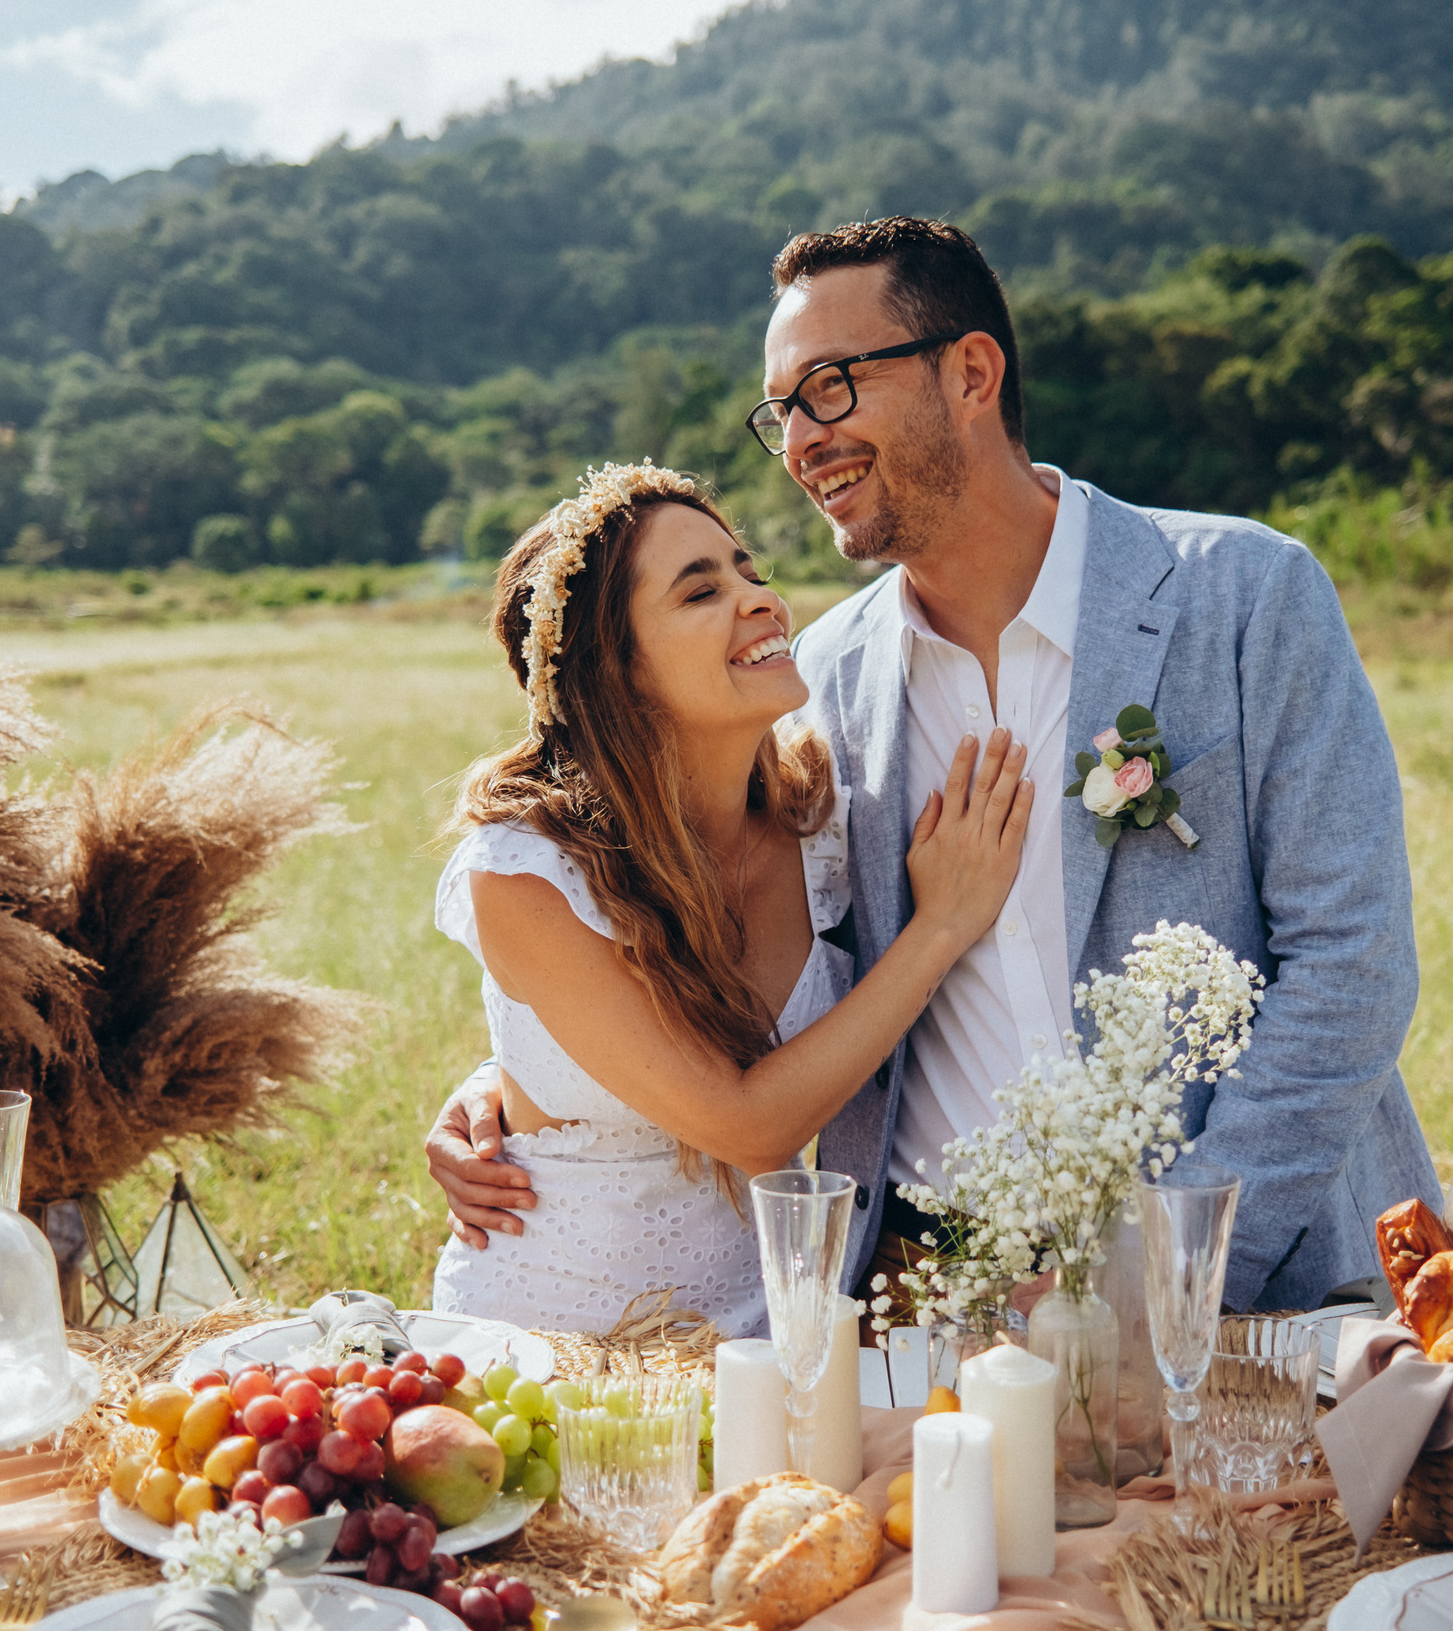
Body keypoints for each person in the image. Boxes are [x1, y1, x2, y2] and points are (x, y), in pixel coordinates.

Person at [431, 218, 1442, 1314]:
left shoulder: (1243, 595)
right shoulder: (819, 686)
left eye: (829, 387)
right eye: (781, 411)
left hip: (1255, 1280)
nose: (800, 440)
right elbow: (687, 949)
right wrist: (513, 1091)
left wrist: (1168, 1274)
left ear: (970, 373)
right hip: (931, 1296)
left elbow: (1351, 966)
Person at [427, 459, 1032, 1336]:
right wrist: (938, 928)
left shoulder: (822, 822)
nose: (762, 601)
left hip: (772, 1329)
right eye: (701, 591)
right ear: (616, 670)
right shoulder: (525, 871)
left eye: (749, 570)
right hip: (556, 1342)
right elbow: (748, 1126)